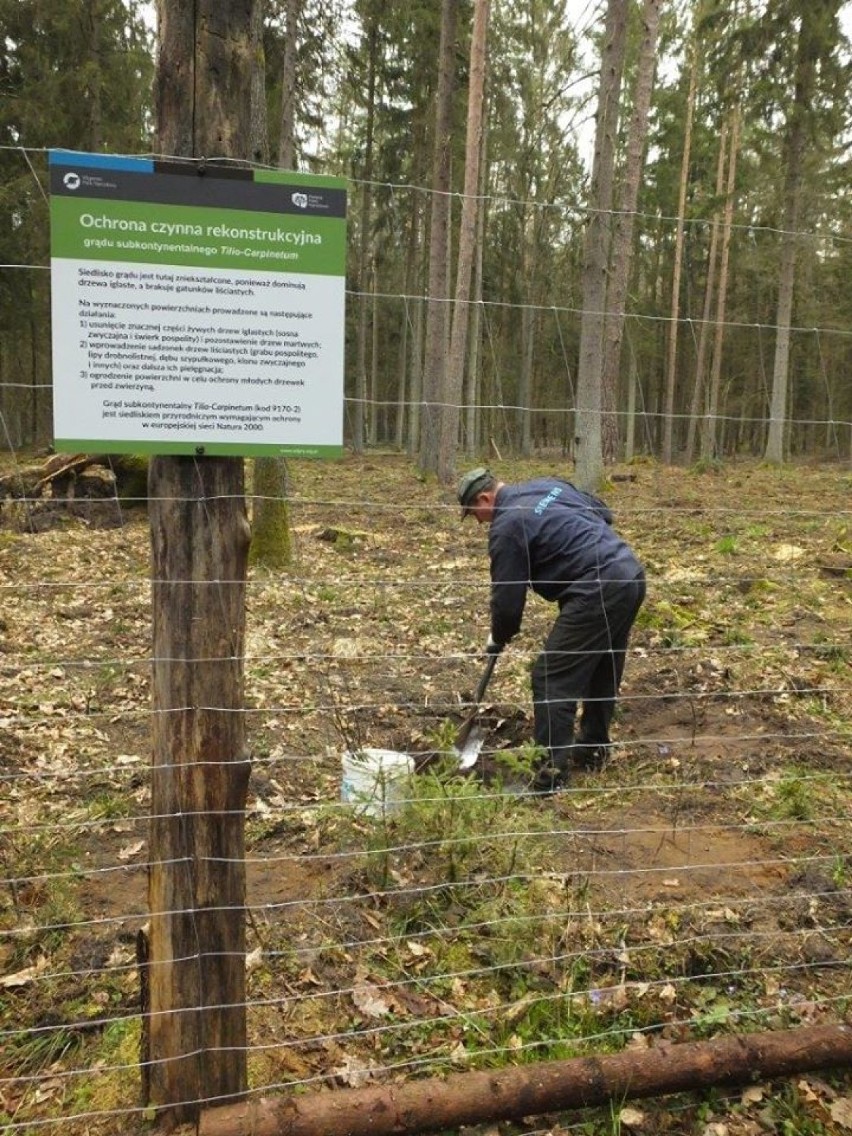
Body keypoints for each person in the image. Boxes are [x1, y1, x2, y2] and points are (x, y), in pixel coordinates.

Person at [458, 467, 646, 792]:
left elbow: (507, 603)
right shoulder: (548, 485)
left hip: (596, 587)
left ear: (485, 498)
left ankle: (548, 778)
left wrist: (498, 635)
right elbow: (604, 511)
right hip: (629, 573)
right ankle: (592, 750)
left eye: (474, 513)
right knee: (602, 666)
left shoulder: (507, 527)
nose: (477, 522)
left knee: (550, 678)